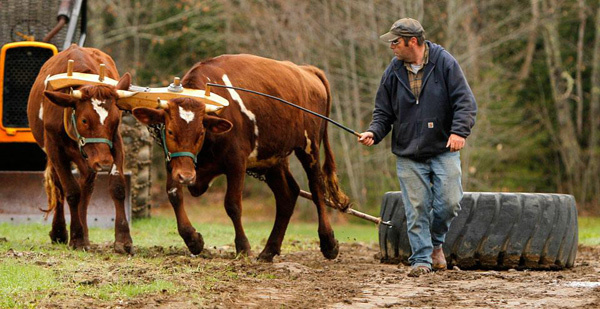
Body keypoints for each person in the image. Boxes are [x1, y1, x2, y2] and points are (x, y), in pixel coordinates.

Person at [358, 18, 477, 277]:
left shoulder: (445, 63)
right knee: (417, 207)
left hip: (444, 148)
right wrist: (373, 132)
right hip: (408, 153)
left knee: (450, 202)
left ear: (413, 41)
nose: (391, 46)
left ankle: (435, 243)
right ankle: (421, 260)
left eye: (395, 41)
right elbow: (383, 112)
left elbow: (465, 102)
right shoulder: (392, 71)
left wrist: (459, 132)